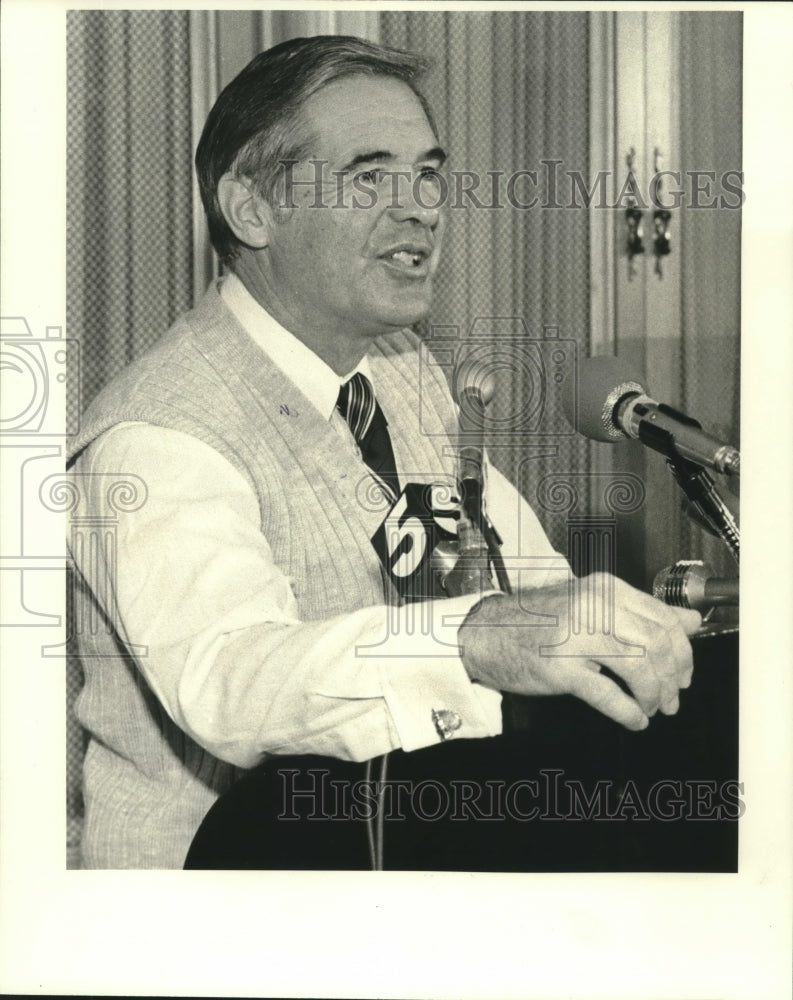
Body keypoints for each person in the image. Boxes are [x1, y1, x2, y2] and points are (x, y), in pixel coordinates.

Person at [67, 35, 700, 870]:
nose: (420, 208)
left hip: (403, 857)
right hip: (212, 911)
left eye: (428, 174)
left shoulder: (401, 373)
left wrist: (615, 630)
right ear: (251, 208)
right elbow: (231, 679)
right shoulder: (155, 435)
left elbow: (533, 592)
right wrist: (475, 638)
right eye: (370, 177)